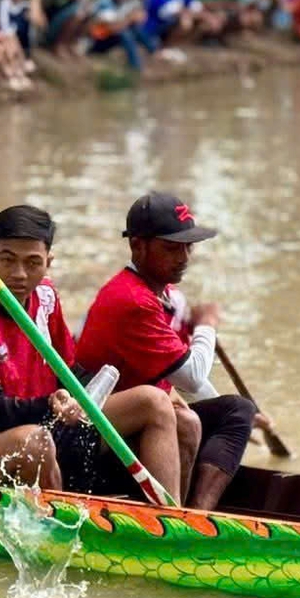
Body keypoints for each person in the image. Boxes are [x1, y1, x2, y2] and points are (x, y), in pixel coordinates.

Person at [0, 205, 181, 493]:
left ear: (48, 262)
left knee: (155, 401)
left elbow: (69, 371)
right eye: (8, 260)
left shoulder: (46, 296)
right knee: (36, 442)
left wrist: (81, 397)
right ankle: (61, 519)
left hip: (44, 421)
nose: (19, 274)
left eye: (33, 263)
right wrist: (50, 405)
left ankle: (171, 515)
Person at [74, 192, 257, 511]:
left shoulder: (164, 295)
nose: (184, 258)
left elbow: (189, 381)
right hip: (98, 432)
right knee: (190, 419)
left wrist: (233, 411)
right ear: (137, 246)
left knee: (235, 411)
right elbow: (192, 375)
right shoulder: (132, 301)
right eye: (172, 248)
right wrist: (207, 326)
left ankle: (195, 515)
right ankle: (178, 516)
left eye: (189, 247)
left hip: (144, 420)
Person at [85, 0, 147, 70]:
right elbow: (112, 28)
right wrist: (129, 18)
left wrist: (135, 18)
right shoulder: (103, 2)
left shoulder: (133, 2)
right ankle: (136, 68)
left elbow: (142, 19)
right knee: (125, 33)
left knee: (136, 29)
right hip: (99, 41)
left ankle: (155, 52)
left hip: (116, 38)